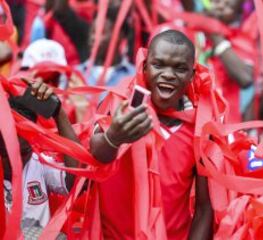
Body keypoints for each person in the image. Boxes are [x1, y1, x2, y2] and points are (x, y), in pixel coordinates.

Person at [90, 30, 214, 239]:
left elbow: (204, 209)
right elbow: (96, 157)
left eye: (180, 68)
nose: (168, 74)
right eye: (159, 65)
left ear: (192, 75)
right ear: (144, 67)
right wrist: (115, 137)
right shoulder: (118, 106)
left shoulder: (202, 128)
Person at [2, 78, 79, 234]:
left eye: (23, 152)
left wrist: (58, 113)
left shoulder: (39, 163)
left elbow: (76, 180)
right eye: (8, 152)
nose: (17, 159)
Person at [199, 0, 256, 123]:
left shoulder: (240, 39)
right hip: (194, 119)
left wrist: (214, 35)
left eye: (228, 5)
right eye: (217, 1)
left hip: (225, 124)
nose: (220, 6)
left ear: (238, 14)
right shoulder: (190, 32)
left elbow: (245, 78)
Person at [77, 6, 135, 87]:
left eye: (101, 32)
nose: (93, 38)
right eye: (92, 32)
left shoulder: (134, 77)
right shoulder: (76, 75)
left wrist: (82, 100)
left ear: (119, 35)